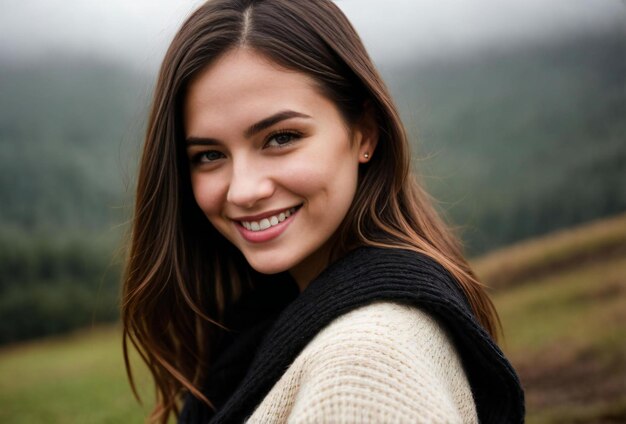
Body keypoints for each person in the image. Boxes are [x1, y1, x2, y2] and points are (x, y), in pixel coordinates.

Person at [122, 0, 525, 423]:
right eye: (209, 155)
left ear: (364, 132)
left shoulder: (364, 370)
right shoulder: (264, 324)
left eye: (281, 138)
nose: (243, 190)